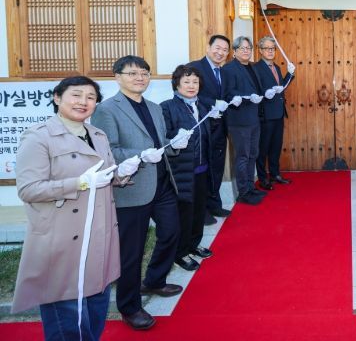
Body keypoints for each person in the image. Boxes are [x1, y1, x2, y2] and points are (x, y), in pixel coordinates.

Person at [12, 76, 138, 339]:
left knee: (95, 312)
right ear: (57, 98)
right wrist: (79, 183)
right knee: (67, 320)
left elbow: (104, 176)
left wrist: (122, 173)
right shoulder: (39, 137)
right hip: (62, 239)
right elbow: (29, 189)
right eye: (76, 95)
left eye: (91, 97)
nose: (83, 102)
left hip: (99, 235)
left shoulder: (98, 135)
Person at [91, 56, 191, 330]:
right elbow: (107, 151)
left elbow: (160, 145)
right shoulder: (106, 110)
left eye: (144, 73)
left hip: (162, 183)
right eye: (132, 73)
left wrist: (175, 144)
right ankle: (130, 306)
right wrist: (141, 154)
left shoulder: (154, 108)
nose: (140, 78)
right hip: (132, 188)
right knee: (131, 251)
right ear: (117, 77)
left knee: (171, 232)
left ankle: (154, 280)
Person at [161, 65, 214, 273]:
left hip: (202, 167)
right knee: (184, 212)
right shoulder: (167, 107)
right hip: (182, 169)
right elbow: (164, 137)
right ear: (177, 85)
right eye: (186, 82)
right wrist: (176, 137)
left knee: (199, 210)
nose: (191, 86)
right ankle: (180, 252)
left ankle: (193, 244)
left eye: (195, 82)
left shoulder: (202, 106)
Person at [189, 35, 231, 224]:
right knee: (202, 168)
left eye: (225, 50)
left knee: (216, 166)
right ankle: (201, 210)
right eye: (217, 48)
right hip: (202, 127)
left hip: (220, 127)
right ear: (208, 47)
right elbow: (188, 93)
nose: (220, 52)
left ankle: (214, 203)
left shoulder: (223, 72)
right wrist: (213, 103)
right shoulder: (194, 68)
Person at [221, 36, 266, 205]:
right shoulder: (228, 68)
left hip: (254, 118)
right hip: (239, 120)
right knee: (242, 156)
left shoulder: (252, 67)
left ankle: (250, 186)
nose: (246, 51)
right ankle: (244, 192)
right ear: (234, 51)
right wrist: (247, 97)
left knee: (253, 154)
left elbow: (257, 89)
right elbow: (228, 93)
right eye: (242, 48)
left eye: (249, 48)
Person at [254, 36, 295, 190]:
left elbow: (281, 88)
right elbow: (255, 90)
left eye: (273, 48)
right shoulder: (256, 68)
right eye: (267, 48)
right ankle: (263, 178)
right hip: (265, 114)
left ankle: (275, 174)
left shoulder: (276, 67)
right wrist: (265, 93)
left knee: (276, 146)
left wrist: (290, 74)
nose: (270, 51)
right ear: (260, 50)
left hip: (278, 112)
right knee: (263, 148)